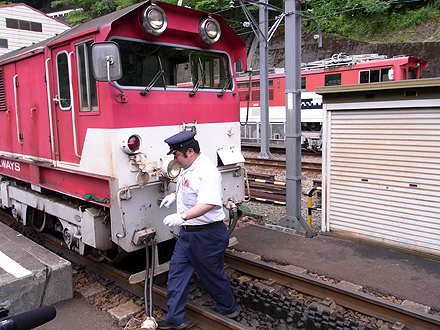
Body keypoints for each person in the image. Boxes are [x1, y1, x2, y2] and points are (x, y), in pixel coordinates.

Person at [157, 131, 238, 330]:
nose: (175, 159)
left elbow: (209, 202)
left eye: (176, 155)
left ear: (190, 151)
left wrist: (182, 216)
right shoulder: (189, 166)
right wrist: (175, 195)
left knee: (211, 274)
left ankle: (228, 308)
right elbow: (190, 187)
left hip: (206, 234)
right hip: (188, 234)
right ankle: (175, 318)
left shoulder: (207, 171)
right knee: (176, 273)